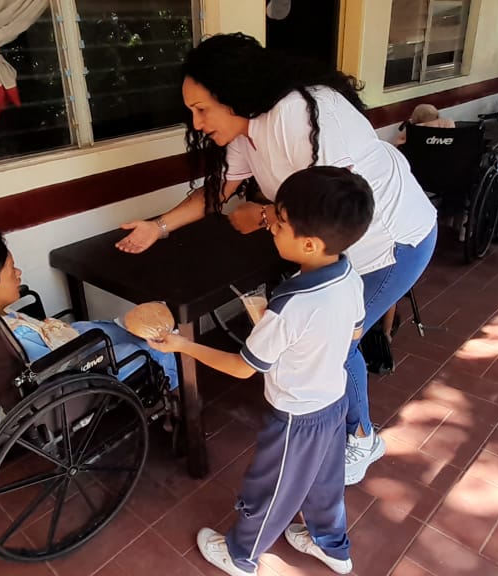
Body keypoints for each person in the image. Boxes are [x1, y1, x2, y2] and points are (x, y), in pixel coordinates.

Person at [115, 33, 438, 485]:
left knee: (337, 340)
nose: (197, 121)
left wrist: (265, 214)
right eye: (190, 110)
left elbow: (331, 199)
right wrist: (160, 225)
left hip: (391, 242)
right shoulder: (248, 131)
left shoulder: (298, 114)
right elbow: (218, 191)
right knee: (329, 334)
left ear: (234, 93)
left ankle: (362, 438)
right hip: (337, 250)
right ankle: (332, 418)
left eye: (202, 108)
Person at [148, 166, 371, 576]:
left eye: (280, 223)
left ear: (308, 244)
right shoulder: (349, 274)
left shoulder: (290, 304)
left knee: (272, 488)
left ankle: (241, 555)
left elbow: (240, 368)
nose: (271, 227)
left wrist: (181, 343)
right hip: (332, 402)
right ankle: (332, 546)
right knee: (325, 482)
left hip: (295, 417)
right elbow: (354, 331)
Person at [0, 227, 180, 393]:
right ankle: (180, 401)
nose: (18, 273)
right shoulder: (14, 334)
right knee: (156, 345)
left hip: (67, 340)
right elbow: (52, 367)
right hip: (76, 367)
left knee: (123, 328)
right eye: (11, 270)